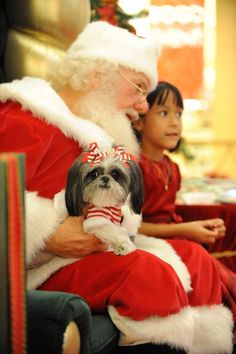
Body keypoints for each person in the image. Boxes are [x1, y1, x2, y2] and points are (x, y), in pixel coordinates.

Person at [0, 22, 233, 354]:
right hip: (40, 266)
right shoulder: (24, 115)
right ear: (98, 74)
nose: (142, 106)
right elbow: (1, 197)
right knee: (149, 274)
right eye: (138, 88)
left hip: (95, 249)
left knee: (195, 257)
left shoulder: (90, 130)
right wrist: (47, 232)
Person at [133, 80, 236, 341]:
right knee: (215, 269)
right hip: (148, 243)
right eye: (163, 113)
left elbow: (169, 214)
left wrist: (199, 227)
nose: (174, 122)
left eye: (178, 114)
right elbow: (132, 226)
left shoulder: (171, 167)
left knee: (226, 275)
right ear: (138, 121)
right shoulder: (136, 167)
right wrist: (186, 230)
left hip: (173, 237)